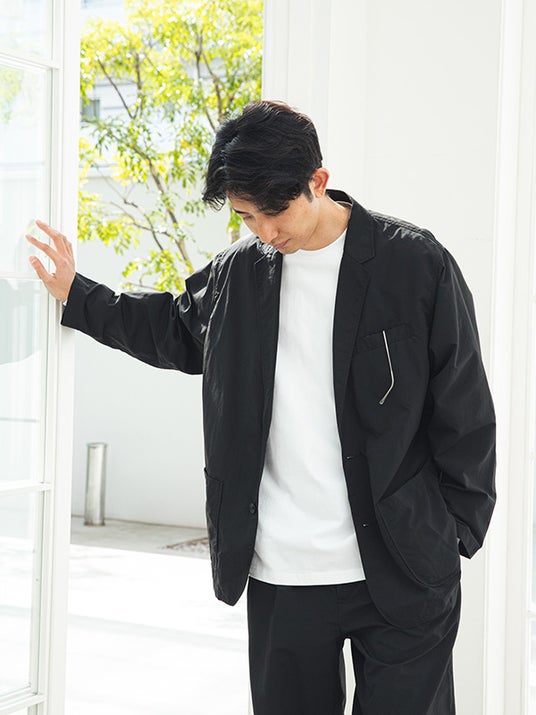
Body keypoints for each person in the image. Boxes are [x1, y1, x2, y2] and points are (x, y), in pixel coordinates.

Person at [27, 100, 496, 715]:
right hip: (284, 571)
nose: (266, 232)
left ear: (317, 181)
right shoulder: (240, 275)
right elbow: (172, 329)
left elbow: (464, 403)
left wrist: (456, 530)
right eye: (247, 216)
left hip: (403, 561)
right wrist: (77, 294)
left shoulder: (414, 263)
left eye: (275, 212)